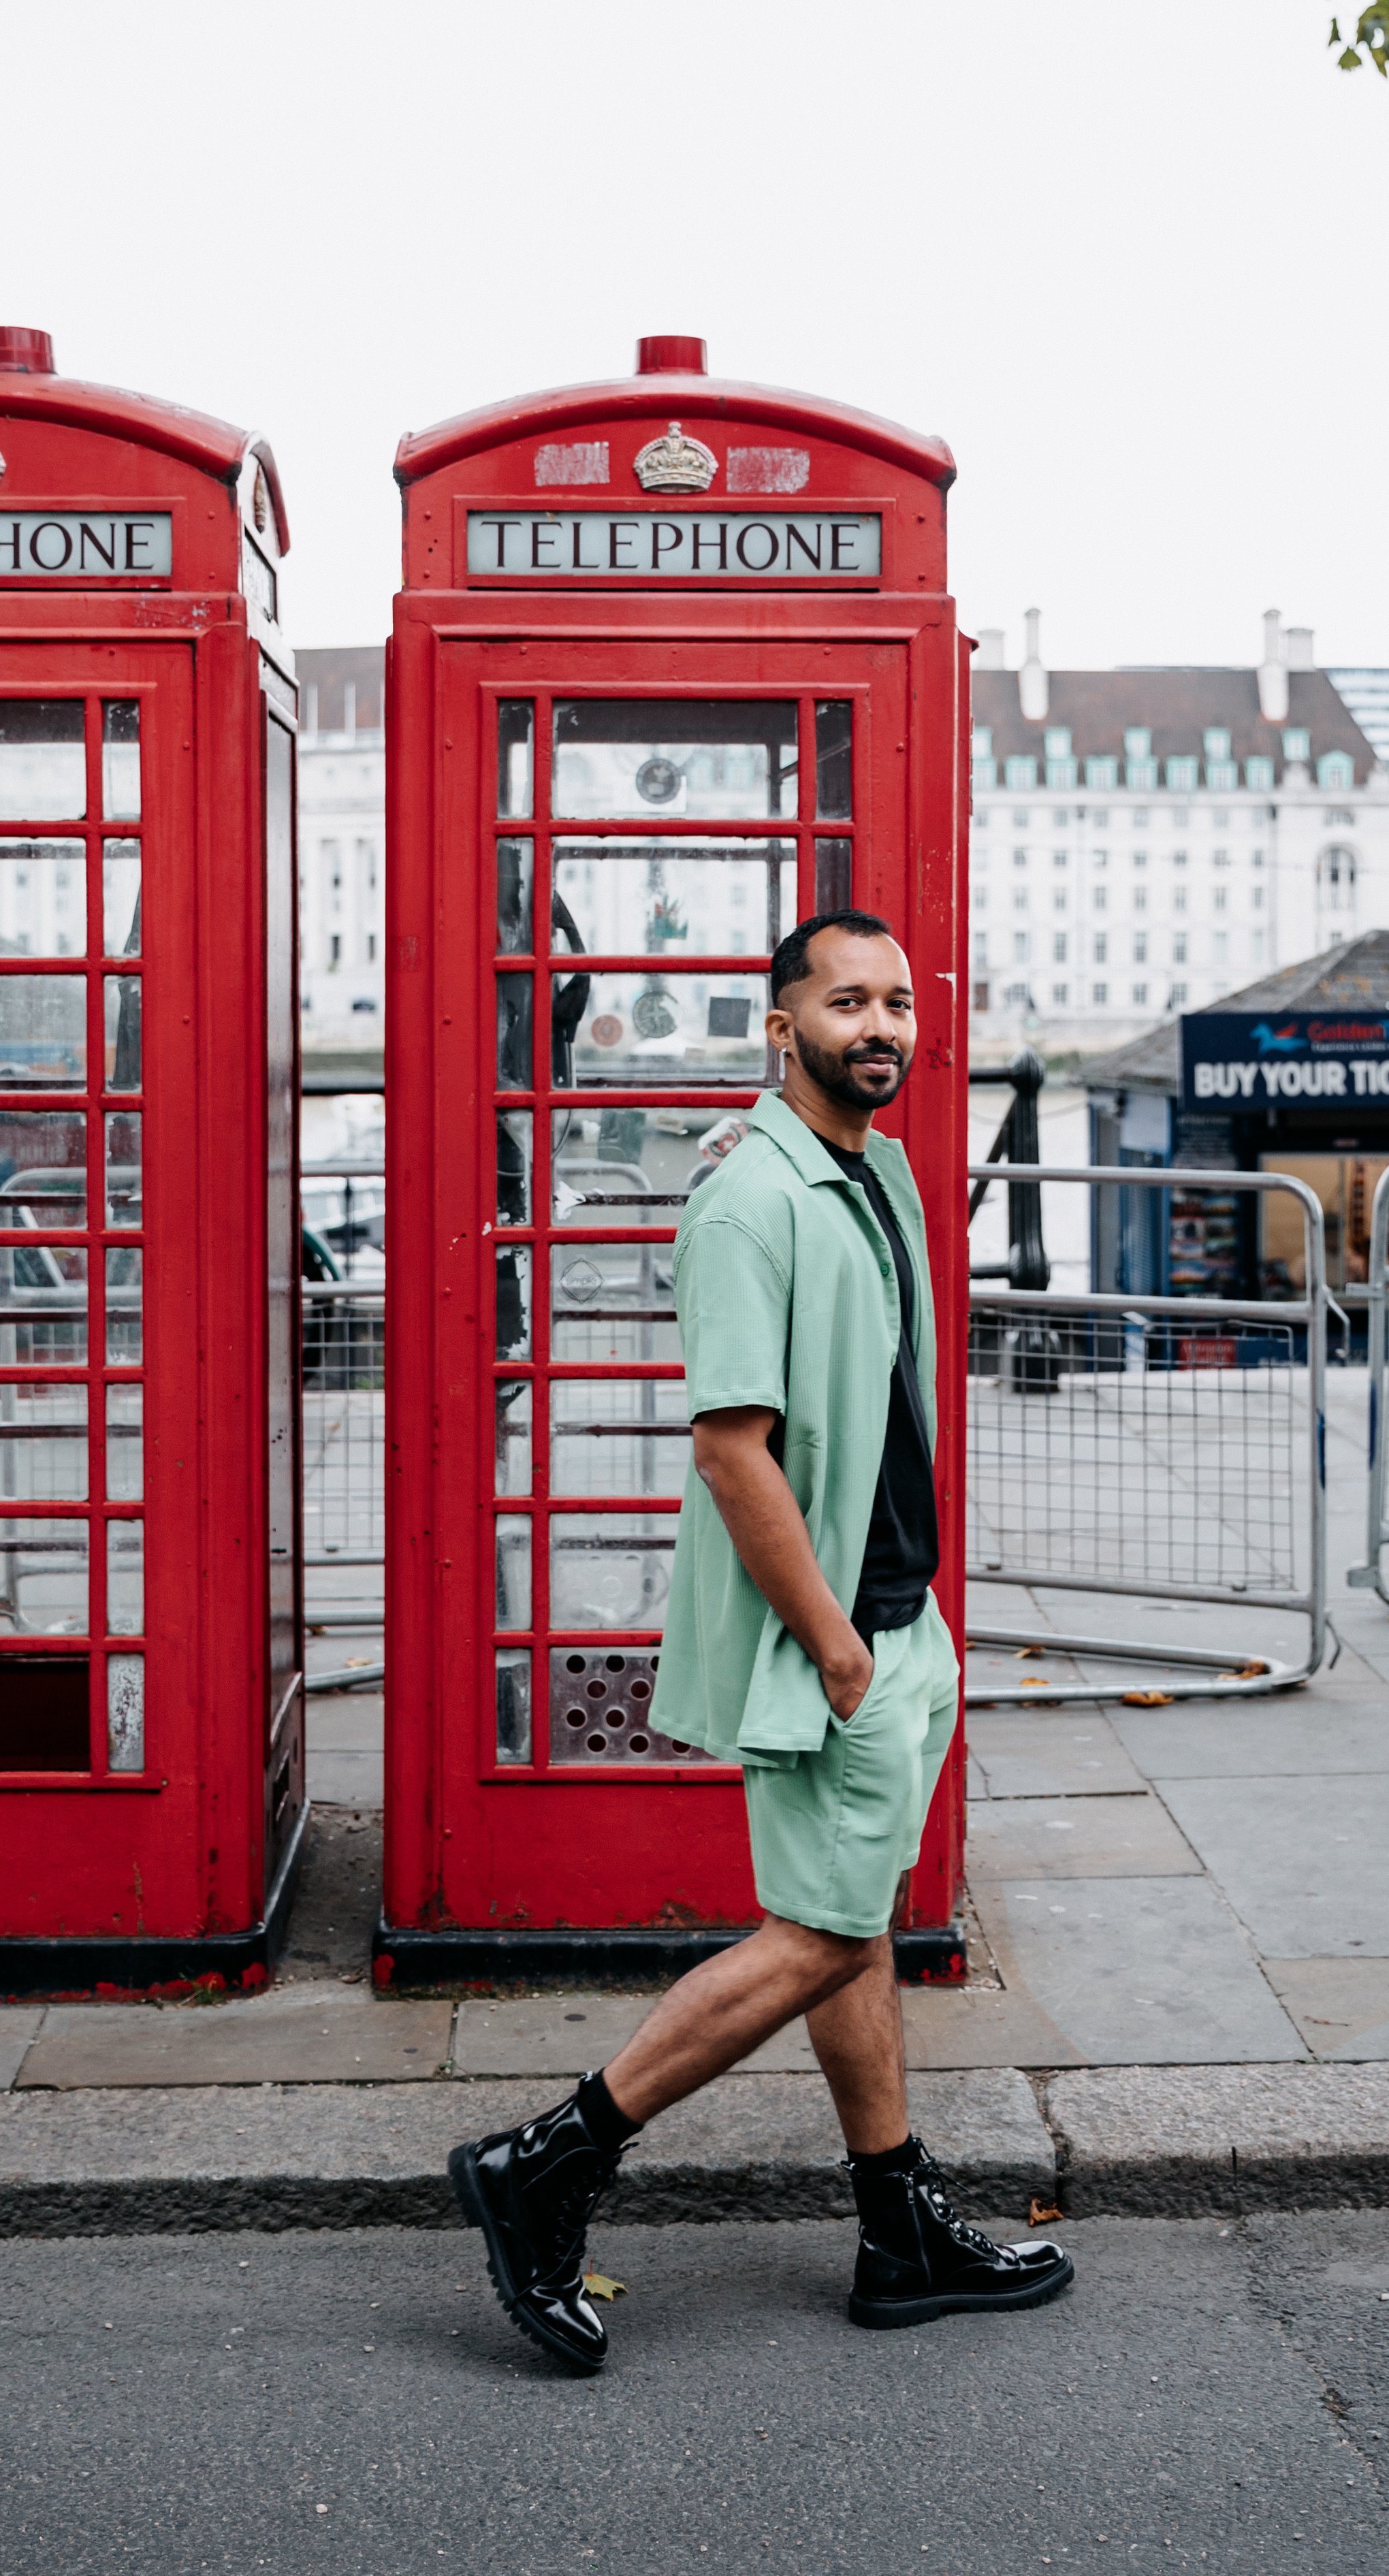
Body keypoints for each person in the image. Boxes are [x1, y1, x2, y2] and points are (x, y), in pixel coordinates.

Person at [449, 909, 1073, 2374]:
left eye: (899, 1003)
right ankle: (545, 2160)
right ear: (777, 1028)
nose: (881, 1027)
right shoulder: (748, 1202)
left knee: (849, 1927)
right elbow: (735, 1452)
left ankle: (894, 2229)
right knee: (815, 1935)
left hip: (904, 1621)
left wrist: (903, 1635)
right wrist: (838, 1652)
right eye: (845, 1002)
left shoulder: (879, 1178)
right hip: (839, 1637)